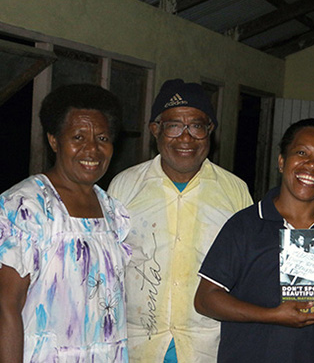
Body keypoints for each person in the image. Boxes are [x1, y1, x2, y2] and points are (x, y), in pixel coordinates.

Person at [0, 84, 132, 363]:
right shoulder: (26, 208)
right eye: (78, 137)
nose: (92, 149)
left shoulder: (111, 211)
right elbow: (5, 307)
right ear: (54, 141)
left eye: (102, 137)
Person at [107, 79, 252, 362]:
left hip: (207, 348)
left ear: (210, 131)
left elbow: (246, 274)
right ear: (155, 130)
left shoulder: (234, 192)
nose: (186, 138)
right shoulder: (124, 187)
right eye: (174, 126)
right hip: (137, 347)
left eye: (196, 126)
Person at [194, 118, 314, 362]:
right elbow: (205, 299)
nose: (312, 165)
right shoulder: (247, 224)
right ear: (281, 161)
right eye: (301, 153)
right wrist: (272, 315)